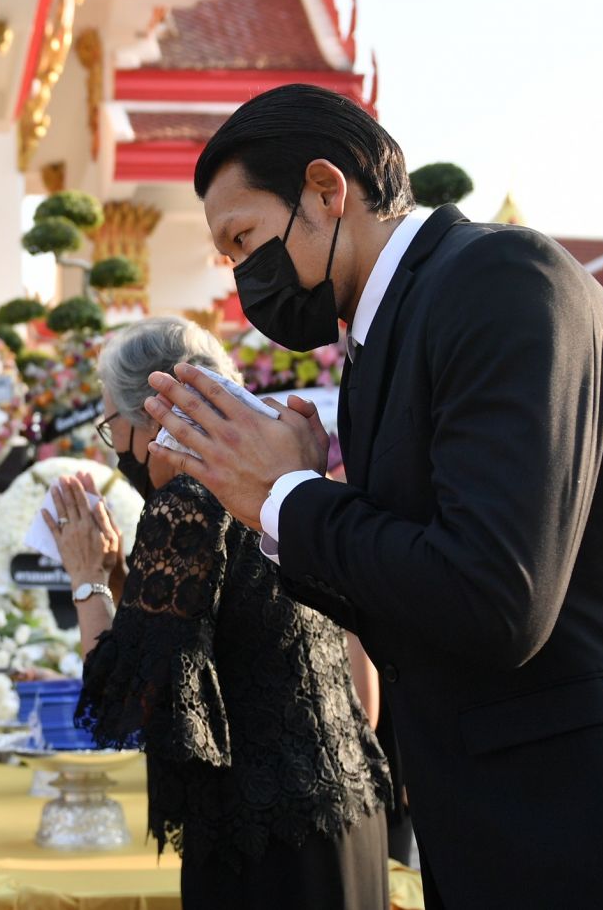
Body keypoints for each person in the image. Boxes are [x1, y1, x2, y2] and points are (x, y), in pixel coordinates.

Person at [145, 83, 603, 909]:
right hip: (495, 835)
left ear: (326, 189)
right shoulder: (380, 343)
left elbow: (496, 594)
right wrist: (282, 502)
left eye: (245, 239)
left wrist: (291, 497)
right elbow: (413, 608)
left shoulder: (501, 280)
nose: (245, 279)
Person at [55, 316, 390, 910]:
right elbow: (218, 633)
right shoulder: (278, 480)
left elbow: (127, 700)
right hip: (347, 809)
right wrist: (117, 579)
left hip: (264, 841)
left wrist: (85, 583)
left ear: (152, 415)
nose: (118, 451)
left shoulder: (187, 500)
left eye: (112, 426)